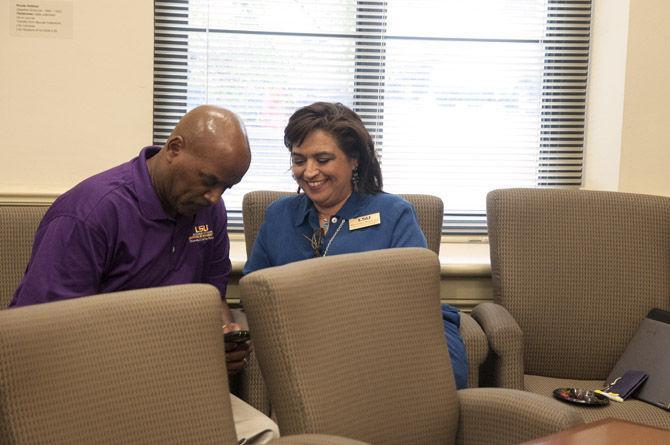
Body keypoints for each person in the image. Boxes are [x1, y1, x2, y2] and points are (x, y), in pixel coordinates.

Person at [10, 105, 279, 443]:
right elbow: (41, 336)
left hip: (168, 382)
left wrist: (221, 334)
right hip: (82, 387)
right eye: (209, 181)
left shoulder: (209, 211)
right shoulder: (91, 214)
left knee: (264, 433)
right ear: (174, 149)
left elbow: (213, 298)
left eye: (227, 187)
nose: (215, 196)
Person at [243, 102, 468, 389]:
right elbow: (254, 291)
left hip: (384, 340)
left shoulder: (393, 213)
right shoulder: (279, 215)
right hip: (304, 338)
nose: (309, 172)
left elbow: (415, 299)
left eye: (322, 159)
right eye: (299, 160)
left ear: (354, 160)